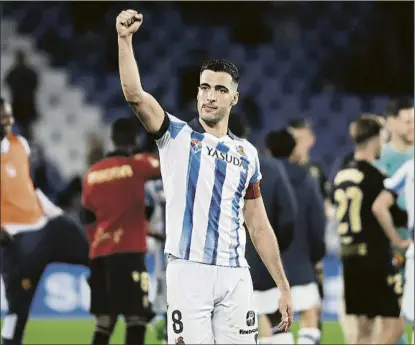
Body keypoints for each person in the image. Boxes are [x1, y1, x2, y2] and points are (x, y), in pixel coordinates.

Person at [116, 9, 293, 344]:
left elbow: (258, 225)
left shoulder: (247, 155)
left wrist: (283, 286)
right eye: (204, 87)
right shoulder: (176, 136)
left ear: (234, 98)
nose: (210, 95)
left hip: (235, 275)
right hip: (188, 272)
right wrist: (125, 40)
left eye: (220, 90)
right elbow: (135, 95)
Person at [0, 97, 89, 345]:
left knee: (93, 255)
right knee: (18, 309)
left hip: (43, 226)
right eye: (2, 117)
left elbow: (30, 189)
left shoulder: (21, 146)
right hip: (14, 240)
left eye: (8, 116)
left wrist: (57, 214)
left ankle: (107, 303)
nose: (7, 121)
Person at [81, 117, 161, 345]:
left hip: (99, 255)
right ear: (136, 139)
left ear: (112, 139)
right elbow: (168, 165)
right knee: (136, 319)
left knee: (104, 322)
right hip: (129, 253)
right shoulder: (137, 165)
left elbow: (87, 218)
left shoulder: (91, 174)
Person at [332, 117, 409, 344]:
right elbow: (394, 215)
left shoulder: (341, 176)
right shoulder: (376, 179)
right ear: (375, 139)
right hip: (374, 259)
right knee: (395, 326)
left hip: (349, 258)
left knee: (362, 331)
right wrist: (396, 238)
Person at [228, 116, 297, 344]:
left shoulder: (208, 163)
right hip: (263, 259)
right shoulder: (268, 166)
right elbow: (288, 216)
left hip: (225, 262)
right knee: (273, 319)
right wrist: (277, 247)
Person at [260, 129, 326, 345]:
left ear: (267, 150)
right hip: (301, 263)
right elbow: (317, 222)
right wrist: (316, 256)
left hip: (268, 266)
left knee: (274, 322)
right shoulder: (306, 179)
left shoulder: (259, 179)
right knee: (309, 317)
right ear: (292, 150)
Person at [375, 100, 414, 345]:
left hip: (408, 243)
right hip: (391, 244)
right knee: (392, 313)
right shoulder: (383, 156)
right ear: (393, 122)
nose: (413, 127)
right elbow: (377, 204)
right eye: (408, 121)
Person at [5, 50, 39, 140]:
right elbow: (8, 82)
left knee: (26, 130)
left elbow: (35, 83)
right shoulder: (15, 72)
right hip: (19, 105)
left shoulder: (26, 72)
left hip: (26, 105)